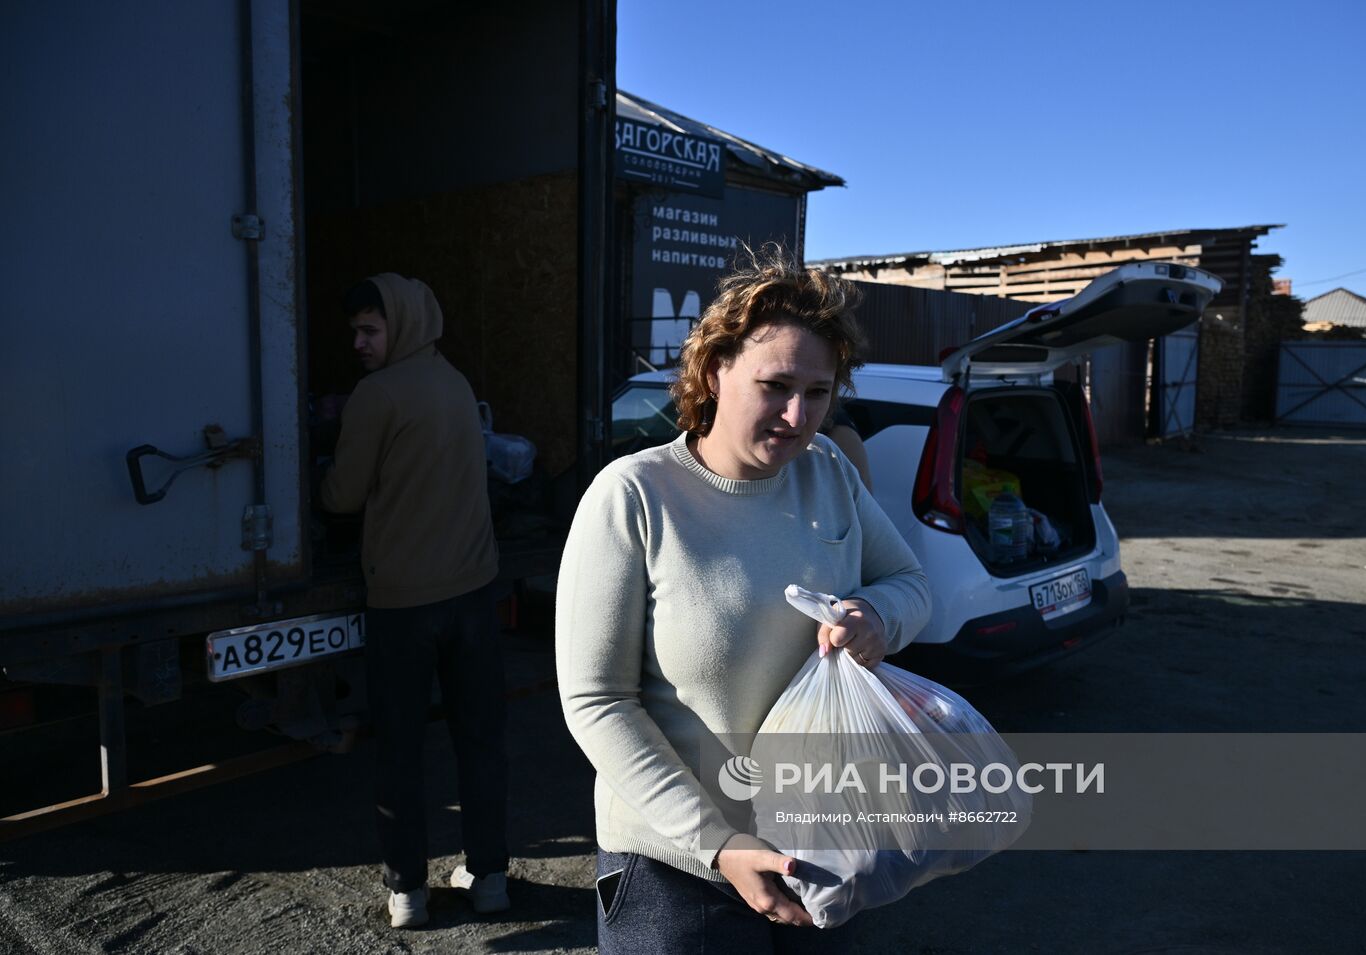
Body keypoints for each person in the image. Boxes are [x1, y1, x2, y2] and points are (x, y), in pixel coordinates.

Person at [556, 248, 931, 952]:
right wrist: (719, 843)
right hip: (676, 876)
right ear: (713, 370)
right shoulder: (633, 496)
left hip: (822, 852)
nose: (798, 415)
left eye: (818, 393)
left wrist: (878, 618)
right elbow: (596, 701)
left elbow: (911, 586)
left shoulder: (827, 476)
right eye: (776, 385)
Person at [320, 274, 510, 928]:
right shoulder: (455, 382)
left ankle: (408, 892)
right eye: (356, 331)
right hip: (474, 593)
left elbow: (342, 497)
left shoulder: (374, 395)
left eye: (369, 330)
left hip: (403, 604)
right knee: (479, 740)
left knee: (400, 749)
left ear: (398, 326)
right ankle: (490, 880)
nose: (359, 343)